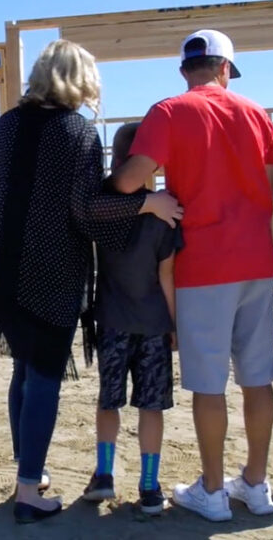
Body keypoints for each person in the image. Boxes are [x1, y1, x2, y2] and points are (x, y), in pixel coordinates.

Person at [0, 39, 182, 525]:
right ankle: (29, 491)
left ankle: (27, 473)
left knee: (23, 373)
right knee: (44, 379)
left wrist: (4, 180)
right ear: (82, 81)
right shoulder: (78, 133)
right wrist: (147, 204)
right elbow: (86, 211)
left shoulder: (7, 125)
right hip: (52, 276)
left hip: (3, 272)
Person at [111, 29, 273, 521]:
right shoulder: (257, 113)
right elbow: (267, 192)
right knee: (257, 376)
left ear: (185, 70)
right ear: (225, 68)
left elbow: (128, 178)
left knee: (209, 384)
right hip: (256, 261)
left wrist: (147, 196)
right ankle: (255, 482)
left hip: (204, 265)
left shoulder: (170, 111)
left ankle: (212, 490)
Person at [81, 122, 181, 516]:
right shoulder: (164, 212)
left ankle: (104, 475)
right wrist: (174, 324)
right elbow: (166, 275)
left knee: (109, 401)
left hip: (111, 321)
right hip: (154, 323)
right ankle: (150, 485)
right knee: (151, 406)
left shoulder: (104, 207)